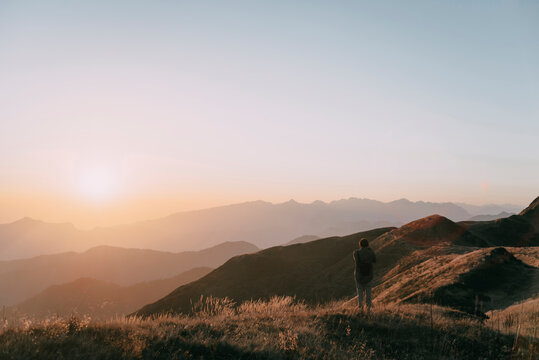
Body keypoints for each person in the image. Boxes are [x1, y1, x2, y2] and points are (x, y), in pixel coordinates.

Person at [353, 238, 376, 311]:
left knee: (360, 291)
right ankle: (368, 307)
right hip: (369, 275)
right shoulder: (370, 253)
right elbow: (374, 260)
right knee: (368, 291)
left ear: (360, 244)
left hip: (359, 274)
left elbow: (356, 260)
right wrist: (371, 250)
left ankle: (360, 307)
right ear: (367, 244)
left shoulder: (356, 253)